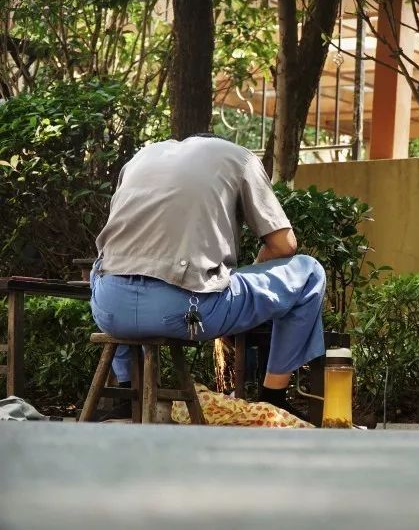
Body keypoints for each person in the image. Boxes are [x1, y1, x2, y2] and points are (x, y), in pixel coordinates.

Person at [90, 133, 326, 420]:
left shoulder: (141, 156)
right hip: (186, 311)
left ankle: (129, 390)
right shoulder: (239, 157)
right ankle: (273, 398)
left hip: (110, 309)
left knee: (104, 265)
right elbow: (284, 245)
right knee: (309, 272)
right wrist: (249, 266)